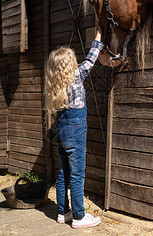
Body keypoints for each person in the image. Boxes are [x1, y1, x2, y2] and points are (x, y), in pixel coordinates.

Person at [45, 26, 103, 229]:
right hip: (76, 131)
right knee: (77, 174)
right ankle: (79, 216)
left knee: (64, 173)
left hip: (61, 131)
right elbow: (91, 59)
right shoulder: (76, 77)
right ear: (70, 65)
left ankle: (63, 212)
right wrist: (99, 36)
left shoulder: (56, 86)